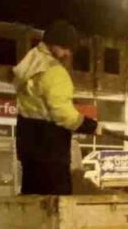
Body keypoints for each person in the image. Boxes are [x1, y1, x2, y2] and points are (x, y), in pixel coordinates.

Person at [13, 20, 99, 195]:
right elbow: (62, 114)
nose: (67, 54)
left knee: (33, 203)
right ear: (55, 43)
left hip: (29, 148)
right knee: (57, 207)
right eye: (66, 48)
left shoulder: (30, 64)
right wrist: (90, 125)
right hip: (51, 151)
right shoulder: (54, 72)